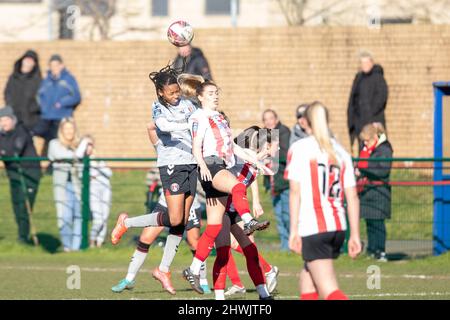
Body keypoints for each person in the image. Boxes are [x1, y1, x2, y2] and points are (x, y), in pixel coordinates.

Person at [181, 81, 272, 298]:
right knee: (238, 186)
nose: (215, 96)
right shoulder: (199, 116)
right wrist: (201, 165)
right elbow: (196, 145)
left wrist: (256, 162)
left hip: (219, 166)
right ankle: (248, 219)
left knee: (215, 233)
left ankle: (194, 271)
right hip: (211, 166)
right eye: (211, 93)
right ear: (200, 97)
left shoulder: (220, 118)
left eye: (216, 93)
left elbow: (235, 147)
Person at [111, 119, 210, 295]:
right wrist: (169, 120)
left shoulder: (192, 145)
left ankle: (202, 280)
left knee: (194, 242)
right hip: (167, 202)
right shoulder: (163, 146)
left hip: (190, 202)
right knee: (146, 238)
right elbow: (150, 128)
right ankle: (129, 278)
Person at [287, 101, 362, 300]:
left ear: (306, 122)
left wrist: (293, 230)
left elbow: (295, 192)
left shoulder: (300, 148)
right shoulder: (342, 152)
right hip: (338, 227)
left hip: (314, 227)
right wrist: (355, 234)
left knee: (329, 289)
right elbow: (352, 196)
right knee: (307, 278)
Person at [212, 126, 278, 300]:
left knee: (251, 251)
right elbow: (235, 148)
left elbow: (251, 175)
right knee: (223, 253)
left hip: (234, 211)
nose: (278, 148)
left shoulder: (257, 165)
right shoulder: (242, 155)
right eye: (275, 144)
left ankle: (263, 294)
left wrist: (255, 200)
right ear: (266, 144)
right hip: (221, 208)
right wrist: (256, 159)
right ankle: (219, 297)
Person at [0, 105, 41, 244]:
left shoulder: (22, 131)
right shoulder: (2, 135)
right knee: (16, 206)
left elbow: (15, 151)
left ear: (13, 120)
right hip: (14, 175)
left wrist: (4, 153)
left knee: (25, 207)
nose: (3, 123)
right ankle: (21, 237)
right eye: (0, 121)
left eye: (5, 120)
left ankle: (23, 238)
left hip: (28, 175)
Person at [47, 117, 89, 252]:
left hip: (78, 185)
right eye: (66, 128)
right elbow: (59, 155)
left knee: (78, 215)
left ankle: (76, 247)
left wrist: (83, 148)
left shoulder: (78, 144)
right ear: (61, 130)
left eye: (71, 128)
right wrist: (80, 151)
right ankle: (67, 246)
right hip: (63, 186)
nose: (69, 131)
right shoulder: (54, 144)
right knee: (64, 216)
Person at [356, 123, 393, 262]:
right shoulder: (367, 149)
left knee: (378, 223)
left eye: (367, 140)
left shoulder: (384, 149)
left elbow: (382, 171)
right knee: (369, 222)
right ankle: (372, 250)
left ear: (375, 137)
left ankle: (380, 251)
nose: (365, 143)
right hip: (367, 190)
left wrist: (363, 170)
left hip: (379, 191)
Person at [34, 54, 81, 146]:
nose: (54, 68)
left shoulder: (68, 79)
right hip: (46, 117)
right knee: (36, 135)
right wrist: (43, 107)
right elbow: (39, 95)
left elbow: (76, 96)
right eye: (51, 65)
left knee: (60, 141)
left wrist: (62, 103)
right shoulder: (46, 80)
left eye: (56, 65)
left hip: (62, 116)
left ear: (61, 65)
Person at [347, 51, 388, 154]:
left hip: (374, 122)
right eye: (362, 63)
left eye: (366, 62)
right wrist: (352, 120)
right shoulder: (359, 78)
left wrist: (370, 116)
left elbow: (381, 98)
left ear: (371, 63)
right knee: (362, 150)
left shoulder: (378, 78)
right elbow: (353, 99)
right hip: (360, 123)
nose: (364, 66)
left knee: (376, 150)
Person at [262, 109, 291, 251]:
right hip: (273, 182)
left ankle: (293, 244)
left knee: (288, 215)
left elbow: (285, 153)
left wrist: (273, 150)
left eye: (271, 118)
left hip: (284, 181)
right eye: (265, 119)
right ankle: (285, 248)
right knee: (279, 216)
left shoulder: (284, 131)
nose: (268, 122)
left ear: (276, 119)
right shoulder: (264, 135)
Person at [81, 135, 113, 248]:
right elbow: (84, 176)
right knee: (98, 218)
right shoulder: (82, 161)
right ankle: (92, 240)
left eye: (91, 145)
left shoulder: (98, 160)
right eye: (87, 145)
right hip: (93, 190)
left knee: (105, 216)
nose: (89, 148)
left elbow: (109, 173)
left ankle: (100, 242)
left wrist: (98, 164)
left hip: (105, 188)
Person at [4, 50, 42, 132]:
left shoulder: (37, 80)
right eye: (27, 59)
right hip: (14, 115)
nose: (28, 61)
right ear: (22, 60)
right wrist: (10, 105)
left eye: (32, 60)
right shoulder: (13, 77)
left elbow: (42, 98)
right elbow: (7, 93)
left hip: (30, 118)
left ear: (34, 64)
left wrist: (33, 108)